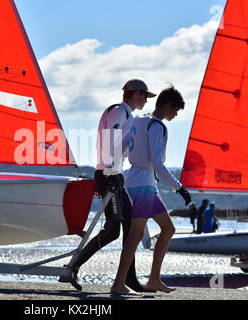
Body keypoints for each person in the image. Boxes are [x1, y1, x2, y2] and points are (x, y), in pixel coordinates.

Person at [59, 79, 157, 292]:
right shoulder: (118, 110)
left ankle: (129, 279)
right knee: (113, 230)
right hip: (108, 174)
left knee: (131, 228)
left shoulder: (127, 114)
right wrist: (110, 174)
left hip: (116, 175)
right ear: (136, 94)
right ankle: (73, 266)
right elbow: (108, 140)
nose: (146, 101)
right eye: (144, 96)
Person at [111, 85, 191, 295]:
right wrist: (179, 188)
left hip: (138, 182)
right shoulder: (157, 126)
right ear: (168, 105)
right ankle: (118, 284)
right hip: (144, 185)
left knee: (168, 229)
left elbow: (124, 148)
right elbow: (158, 163)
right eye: (175, 110)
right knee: (135, 235)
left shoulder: (139, 120)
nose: (175, 115)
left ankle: (154, 279)